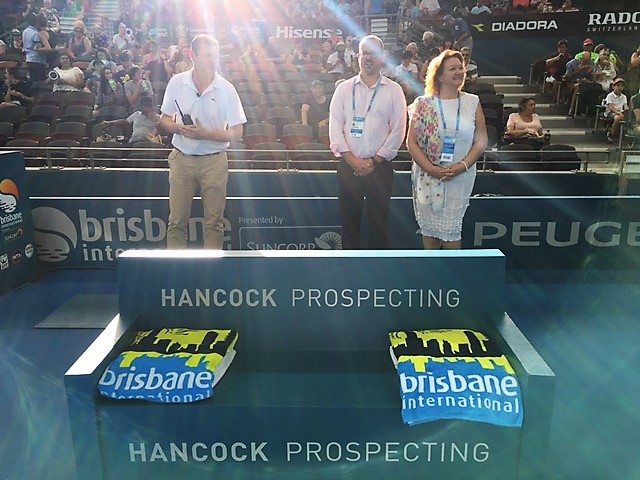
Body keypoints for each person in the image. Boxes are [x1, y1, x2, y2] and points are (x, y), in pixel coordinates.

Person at [159, 34, 247, 249]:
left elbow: (237, 131)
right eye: (207, 55)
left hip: (214, 161)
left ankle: (211, 268)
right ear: (192, 55)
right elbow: (165, 118)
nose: (212, 60)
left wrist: (206, 134)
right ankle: (176, 268)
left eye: (215, 55)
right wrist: (178, 128)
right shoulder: (176, 82)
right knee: (176, 222)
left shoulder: (227, 88)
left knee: (214, 223)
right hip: (181, 159)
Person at [329, 35, 407, 249]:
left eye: (373, 53)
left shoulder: (394, 90)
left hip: (380, 169)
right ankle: (349, 267)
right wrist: (351, 159)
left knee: (379, 225)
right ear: (358, 56)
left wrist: (375, 160)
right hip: (349, 167)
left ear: (382, 57)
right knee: (349, 225)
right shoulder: (343, 89)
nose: (368, 58)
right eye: (364, 53)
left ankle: (378, 267)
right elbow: (335, 126)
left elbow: (399, 129)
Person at [407, 50, 487, 250]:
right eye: (453, 69)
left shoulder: (472, 102)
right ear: (440, 75)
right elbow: (412, 143)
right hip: (428, 176)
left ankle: (453, 272)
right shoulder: (423, 104)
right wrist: (432, 169)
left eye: (461, 68)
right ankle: (432, 271)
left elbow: (481, 140)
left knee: (451, 233)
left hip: (460, 177)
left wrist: (462, 166)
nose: (459, 72)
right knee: (430, 234)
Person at [605, 78, 628, 143]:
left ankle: (621, 136)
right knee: (617, 118)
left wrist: (627, 112)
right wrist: (619, 113)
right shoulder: (610, 96)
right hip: (610, 112)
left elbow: (625, 106)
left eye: (622, 86)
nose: (620, 87)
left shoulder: (624, 97)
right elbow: (611, 107)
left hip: (620, 112)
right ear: (613, 87)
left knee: (625, 118)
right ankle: (612, 135)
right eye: (618, 85)